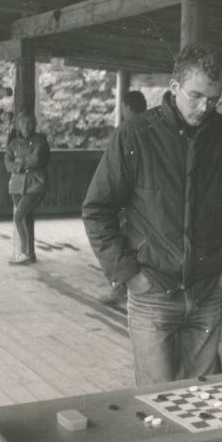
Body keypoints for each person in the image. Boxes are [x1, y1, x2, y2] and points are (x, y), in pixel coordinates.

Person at [82, 43, 222, 386]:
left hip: (209, 291)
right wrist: (127, 273)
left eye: (214, 99)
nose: (204, 107)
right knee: (159, 405)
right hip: (152, 292)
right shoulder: (135, 134)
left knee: (203, 402)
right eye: (196, 95)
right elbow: (97, 209)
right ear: (173, 87)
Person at [99, 90, 149, 305]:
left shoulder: (127, 130)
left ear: (127, 107)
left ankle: (120, 288)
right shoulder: (155, 128)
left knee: (120, 240)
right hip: (147, 196)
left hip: (128, 196)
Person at [4, 111, 50, 265]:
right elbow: (7, 162)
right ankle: (30, 254)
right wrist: (21, 164)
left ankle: (25, 253)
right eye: (23, 123)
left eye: (29, 123)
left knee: (19, 216)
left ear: (34, 125)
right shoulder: (13, 143)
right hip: (17, 185)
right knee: (26, 217)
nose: (26, 126)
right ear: (18, 125)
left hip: (35, 183)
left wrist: (19, 162)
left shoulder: (40, 140)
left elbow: (36, 159)